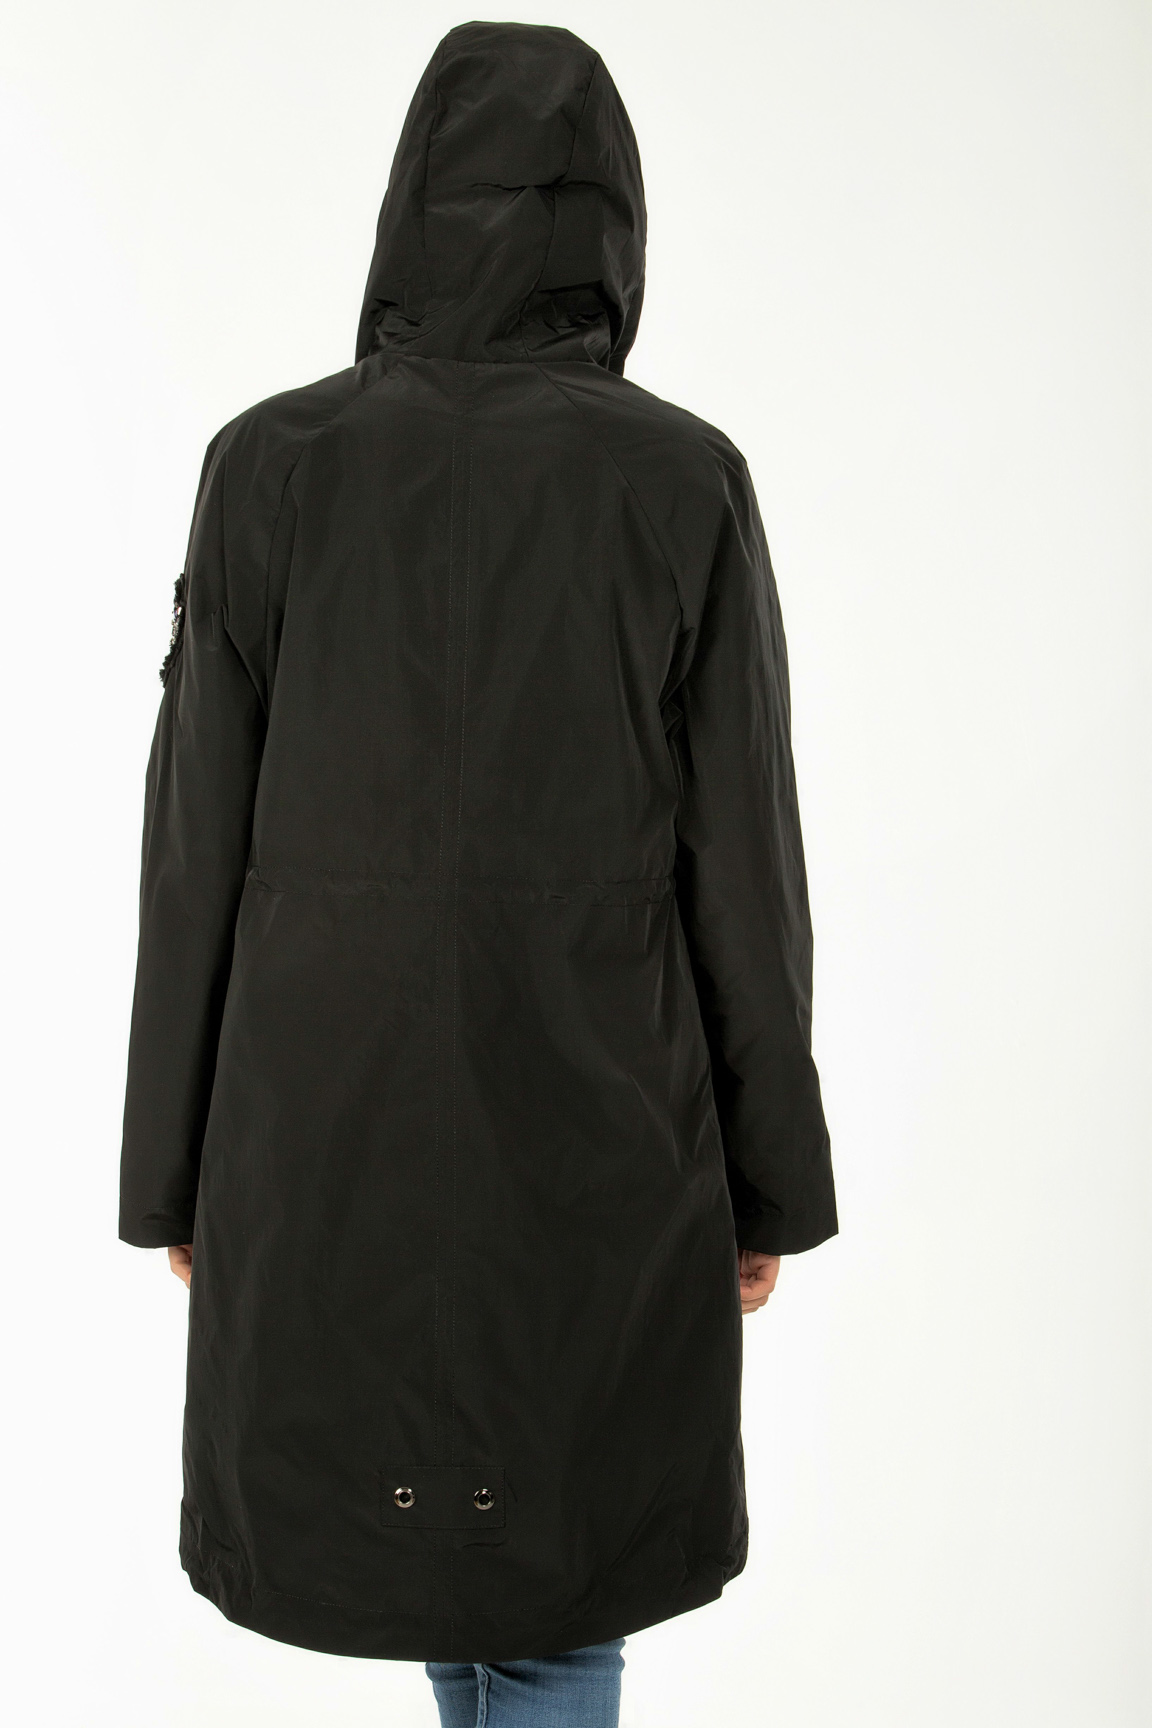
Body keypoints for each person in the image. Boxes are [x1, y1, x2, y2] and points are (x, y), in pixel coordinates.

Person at [120, 21, 837, 1727]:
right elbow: (749, 867)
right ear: (617, 227)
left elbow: (190, 852)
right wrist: (766, 1188)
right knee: (550, 1569)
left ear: (407, 205)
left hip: (322, 1116)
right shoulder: (681, 481)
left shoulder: (269, 467)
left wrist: (177, 1174)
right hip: (595, 1112)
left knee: (476, 1574)